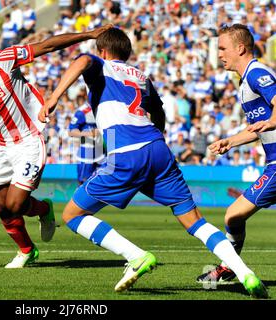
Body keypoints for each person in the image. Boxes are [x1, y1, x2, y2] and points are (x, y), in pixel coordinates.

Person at [38, 27, 268, 298]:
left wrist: (54, 96)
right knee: (195, 221)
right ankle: (244, 272)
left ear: (102, 51)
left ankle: (135, 256)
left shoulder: (99, 65)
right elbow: (158, 111)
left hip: (126, 151)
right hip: (158, 150)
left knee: (72, 215)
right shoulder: (141, 76)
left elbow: (83, 61)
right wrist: (156, 137)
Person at [0, 24, 112, 268]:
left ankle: (43, 209)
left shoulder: (2, 59)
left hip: (28, 139)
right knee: (2, 208)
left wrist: (89, 34)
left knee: (16, 204)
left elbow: (48, 45)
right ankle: (27, 250)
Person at [196, 24, 276, 290]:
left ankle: (229, 266)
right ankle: (230, 266)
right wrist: (230, 141)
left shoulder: (257, 73)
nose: (219, 54)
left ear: (240, 48)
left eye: (222, 48)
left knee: (232, 216)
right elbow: (257, 128)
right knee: (234, 217)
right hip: (272, 163)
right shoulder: (245, 82)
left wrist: (273, 121)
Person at [68, 101, 104, 184]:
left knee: (98, 182)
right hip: (87, 154)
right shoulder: (82, 112)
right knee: (83, 183)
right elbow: (71, 132)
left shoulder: (103, 106)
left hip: (100, 152)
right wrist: (90, 133)